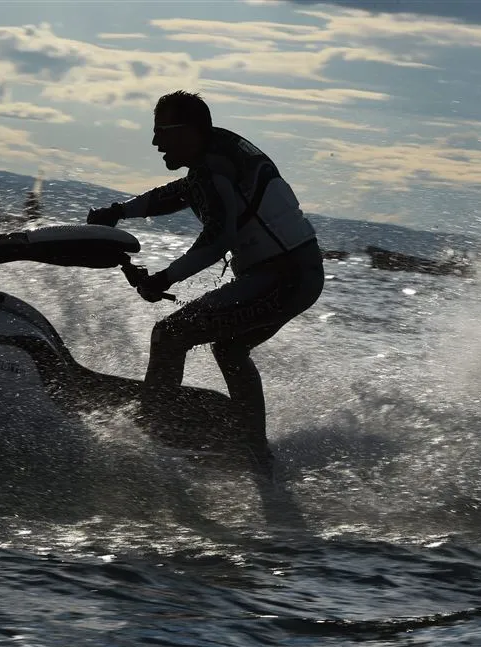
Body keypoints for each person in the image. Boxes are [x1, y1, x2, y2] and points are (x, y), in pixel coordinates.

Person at [86, 90, 324, 470]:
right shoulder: (214, 158)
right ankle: (255, 454)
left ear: (188, 131)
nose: (154, 141)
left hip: (284, 276)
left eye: (160, 131)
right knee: (228, 349)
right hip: (300, 274)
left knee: (169, 336)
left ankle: (153, 441)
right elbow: (178, 194)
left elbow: (218, 240)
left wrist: (165, 277)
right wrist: (119, 212)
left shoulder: (214, 169)